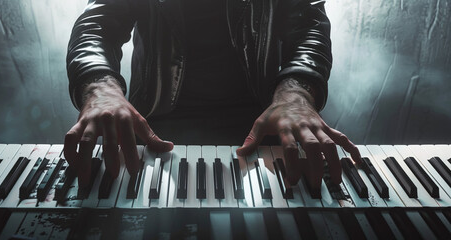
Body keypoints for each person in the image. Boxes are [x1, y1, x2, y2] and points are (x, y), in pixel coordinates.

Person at [64, 0, 361, 191]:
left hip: (264, 129)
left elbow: (309, 26)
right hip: (156, 132)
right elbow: (96, 25)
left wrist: (296, 93)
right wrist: (99, 89)